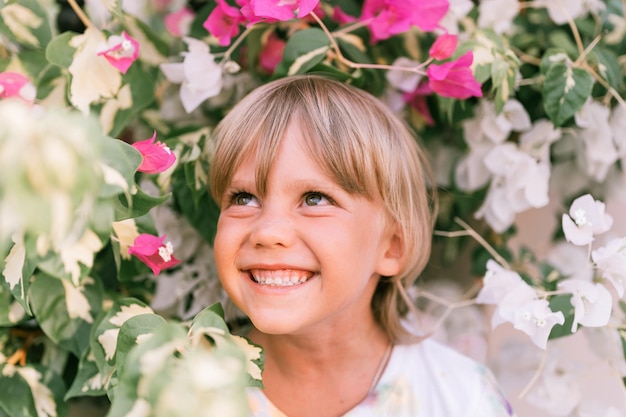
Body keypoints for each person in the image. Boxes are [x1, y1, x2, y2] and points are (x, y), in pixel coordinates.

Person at [209, 75, 515, 417]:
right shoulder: (175, 391)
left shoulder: (460, 399)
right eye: (244, 197)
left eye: (315, 198)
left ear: (392, 248)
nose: (267, 232)